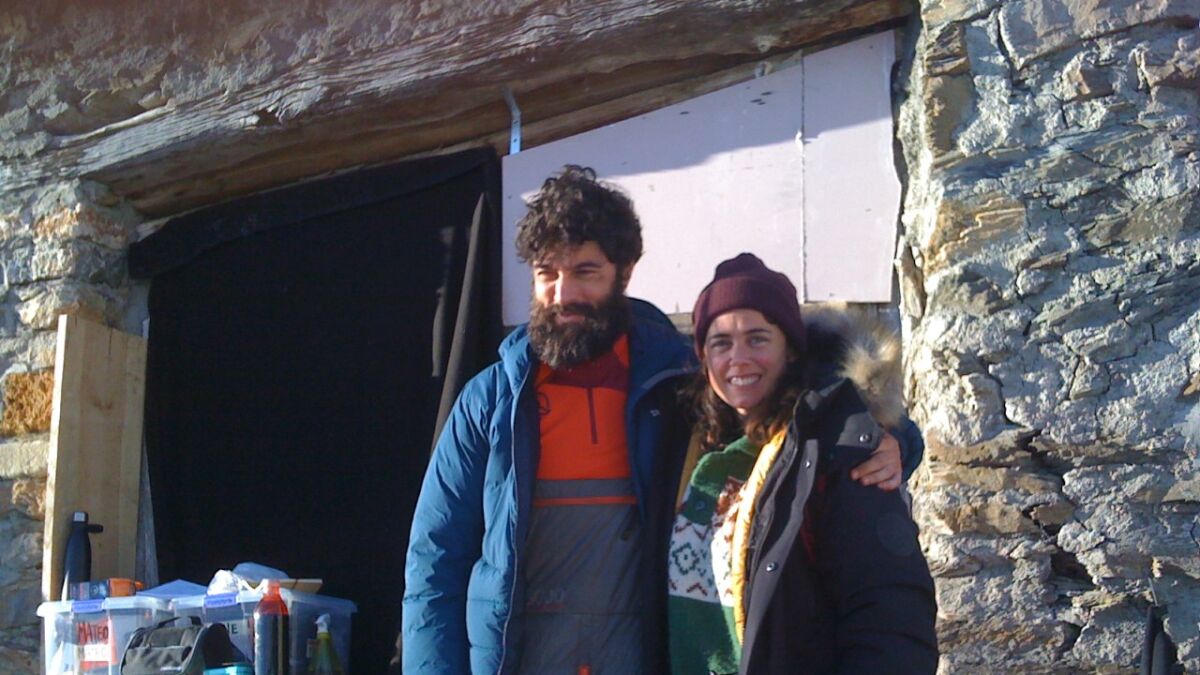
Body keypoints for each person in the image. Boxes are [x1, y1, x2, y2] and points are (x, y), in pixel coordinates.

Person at [402, 166, 922, 674]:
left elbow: (789, 398)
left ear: (624, 273)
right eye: (547, 274)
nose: (564, 294)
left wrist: (891, 437)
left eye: (585, 272)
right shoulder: (490, 403)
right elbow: (434, 561)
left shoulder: (675, 384)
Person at [669, 253, 938, 674]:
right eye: (721, 343)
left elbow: (890, 613)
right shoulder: (687, 449)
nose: (738, 358)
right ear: (703, 356)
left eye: (758, 339)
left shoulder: (837, 452)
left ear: (791, 350)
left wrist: (898, 438)